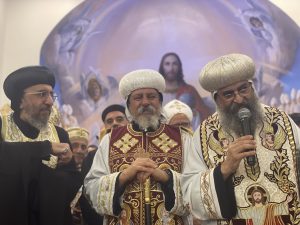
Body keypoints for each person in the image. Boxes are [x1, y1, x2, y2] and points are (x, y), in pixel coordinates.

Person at [84, 69, 236, 225]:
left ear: (160, 101)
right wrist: (124, 175)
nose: (145, 102)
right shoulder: (110, 140)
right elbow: (91, 187)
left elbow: (198, 185)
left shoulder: (183, 138)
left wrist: (165, 177)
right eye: (138, 98)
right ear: (128, 104)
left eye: (151, 96)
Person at [182, 53, 300, 224]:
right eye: (229, 94)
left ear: (252, 88)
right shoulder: (204, 134)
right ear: (216, 99)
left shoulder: (280, 121)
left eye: (243, 89)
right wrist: (223, 169)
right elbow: (189, 191)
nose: (239, 98)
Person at [0, 66, 81, 225]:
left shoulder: (60, 135)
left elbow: (72, 180)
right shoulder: (2, 126)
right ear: (20, 100)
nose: (50, 101)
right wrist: (46, 148)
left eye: (52, 94)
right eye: (42, 94)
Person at [159, 52, 211, 129]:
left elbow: (204, 114)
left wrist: (194, 113)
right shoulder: (156, 92)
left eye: (175, 64)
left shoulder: (189, 90)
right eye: (167, 64)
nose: (171, 68)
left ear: (179, 67)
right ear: (162, 67)